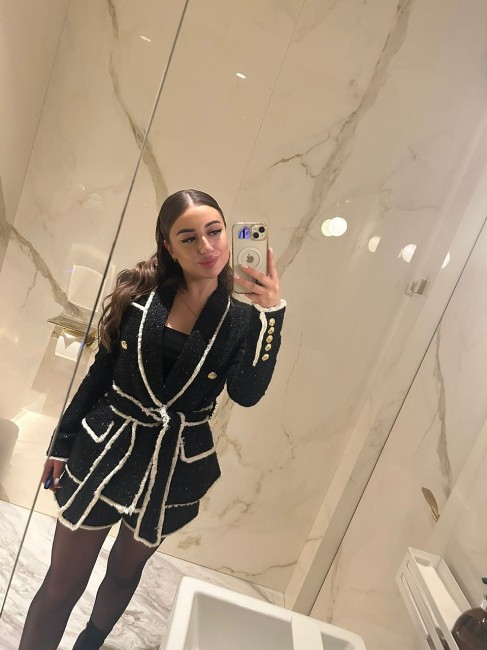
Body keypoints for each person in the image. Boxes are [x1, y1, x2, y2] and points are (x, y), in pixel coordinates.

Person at [19, 189, 286, 650]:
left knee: (125, 574)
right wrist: (61, 444)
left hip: (173, 467)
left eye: (215, 231)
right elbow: (99, 376)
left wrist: (271, 316)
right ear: (169, 246)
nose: (207, 246)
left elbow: (246, 394)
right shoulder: (139, 295)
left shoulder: (243, 320)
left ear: (228, 234)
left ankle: (89, 644)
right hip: (105, 449)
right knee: (61, 585)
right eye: (189, 237)